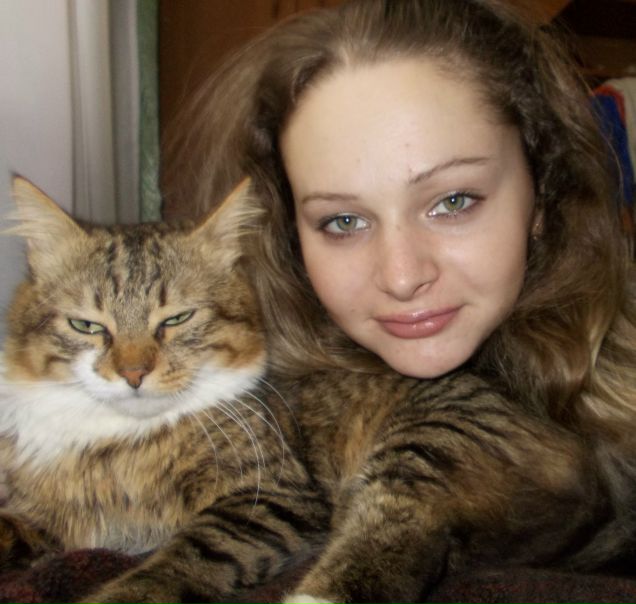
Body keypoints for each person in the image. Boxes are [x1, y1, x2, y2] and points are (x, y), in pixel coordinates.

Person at [164, 0, 635, 455]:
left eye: (452, 202)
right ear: (288, 235)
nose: (402, 278)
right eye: (344, 221)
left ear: (543, 193)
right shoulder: (230, 443)